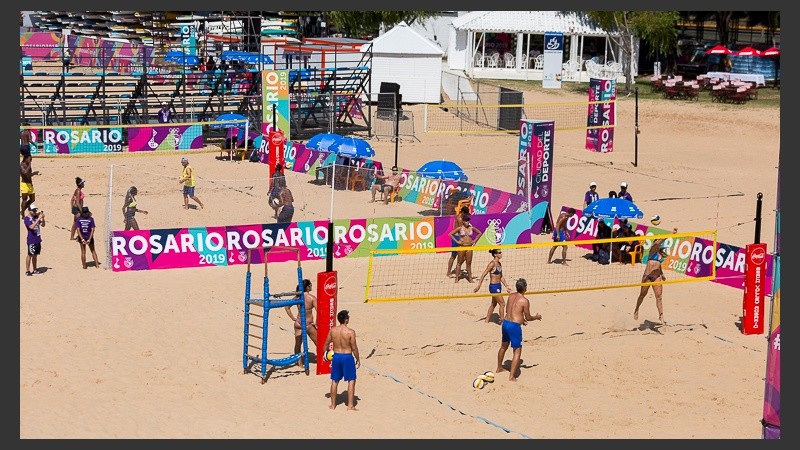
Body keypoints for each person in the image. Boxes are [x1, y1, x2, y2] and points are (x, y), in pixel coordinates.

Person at [496, 278, 541, 381]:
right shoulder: (524, 301)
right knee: (517, 351)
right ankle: (511, 376)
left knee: (503, 347)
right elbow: (529, 317)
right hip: (514, 327)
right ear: (525, 288)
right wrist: (536, 317)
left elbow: (510, 311)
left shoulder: (511, 296)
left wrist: (522, 320)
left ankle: (499, 367)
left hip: (506, 323)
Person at [634, 228, 678, 325]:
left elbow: (658, 265)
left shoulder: (660, 254)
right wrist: (672, 233)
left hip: (657, 276)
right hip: (648, 276)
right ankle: (636, 309)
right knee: (642, 295)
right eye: (657, 240)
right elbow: (660, 241)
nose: (659, 242)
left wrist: (662, 274)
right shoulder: (652, 249)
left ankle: (661, 316)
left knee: (659, 297)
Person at [323, 309, 360, 411]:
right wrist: (358, 359)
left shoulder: (333, 330)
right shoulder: (350, 332)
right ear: (346, 320)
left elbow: (326, 343)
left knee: (335, 381)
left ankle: (333, 405)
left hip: (336, 357)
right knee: (351, 381)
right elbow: (354, 348)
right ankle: (350, 406)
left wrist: (324, 354)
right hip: (347, 357)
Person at [284, 279, 317, 367]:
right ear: (308, 287)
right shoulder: (312, 298)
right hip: (308, 324)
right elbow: (319, 311)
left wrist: (293, 318)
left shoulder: (297, 297)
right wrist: (316, 322)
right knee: (319, 343)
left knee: (298, 344)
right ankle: (321, 360)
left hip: (298, 322)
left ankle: (299, 363)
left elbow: (287, 307)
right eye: (311, 285)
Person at [473, 249, 512, 324]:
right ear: (495, 254)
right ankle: (503, 321)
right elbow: (484, 274)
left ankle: (487, 320)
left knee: (493, 304)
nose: (501, 254)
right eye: (499, 253)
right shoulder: (492, 264)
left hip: (498, 286)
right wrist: (478, 286)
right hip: (493, 286)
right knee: (502, 303)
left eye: (501, 252)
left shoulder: (499, 264)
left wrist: (506, 286)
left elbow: (501, 276)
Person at [449, 215, 483, 283]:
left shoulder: (471, 228)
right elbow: (450, 234)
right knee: (459, 263)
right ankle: (457, 278)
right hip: (462, 247)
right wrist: (457, 241)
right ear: (463, 221)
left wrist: (475, 240)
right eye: (466, 221)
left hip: (469, 247)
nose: (467, 222)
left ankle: (470, 279)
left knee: (469, 263)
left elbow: (479, 233)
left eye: (468, 220)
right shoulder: (460, 228)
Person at [446, 206, 471, 278]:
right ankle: (449, 272)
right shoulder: (460, 219)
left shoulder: (458, 216)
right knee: (454, 256)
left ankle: (456, 269)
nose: (467, 215)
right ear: (463, 212)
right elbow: (461, 230)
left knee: (462, 256)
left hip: (458, 237)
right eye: (466, 214)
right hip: (457, 238)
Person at [24, 203, 45, 276]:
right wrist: (39, 218)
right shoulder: (27, 219)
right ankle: (27, 270)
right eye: (33, 211)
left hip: (37, 239)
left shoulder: (36, 217)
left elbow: (43, 225)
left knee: (35, 255)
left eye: (35, 210)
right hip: (31, 239)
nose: (35, 212)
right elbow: (31, 227)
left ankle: (35, 269)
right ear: (29, 211)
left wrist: (43, 218)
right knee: (30, 254)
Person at [20, 148, 35, 219]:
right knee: (24, 200)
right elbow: (25, 173)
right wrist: (29, 165)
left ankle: (23, 209)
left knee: (32, 199)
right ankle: (23, 213)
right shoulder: (21, 165)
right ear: (25, 159)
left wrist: (31, 183)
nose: (30, 160)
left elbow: (29, 175)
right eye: (29, 159)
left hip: (29, 184)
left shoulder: (27, 164)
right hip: (24, 184)